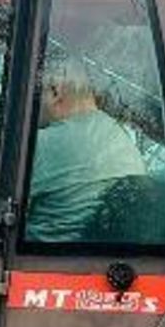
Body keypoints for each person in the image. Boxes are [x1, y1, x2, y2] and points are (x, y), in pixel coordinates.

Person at [25, 52, 145, 241]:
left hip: (38, 257)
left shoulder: (47, 142)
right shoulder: (121, 139)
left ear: (55, 92)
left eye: (35, 95)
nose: (32, 107)